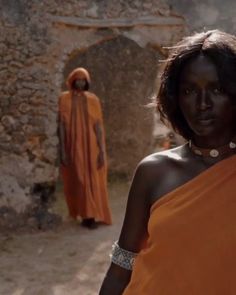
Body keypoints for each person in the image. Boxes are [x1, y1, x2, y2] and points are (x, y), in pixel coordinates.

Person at [99, 29, 236, 294]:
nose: (202, 103)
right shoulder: (154, 171)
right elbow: (121, 267)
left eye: (217, 89)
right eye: (189, 90)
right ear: (175, 97)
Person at [59, 67, 112, 229]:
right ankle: (85, 215)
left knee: (94, 180)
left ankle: (91, 216)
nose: (81, 83)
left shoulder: (93, 100)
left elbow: (98, 127)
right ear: (72, 81)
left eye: (84, 80)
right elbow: (61, 126)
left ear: (87, 82)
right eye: (78, 80)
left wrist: (102, 151)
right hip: (74, 146)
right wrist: (62, 149)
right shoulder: (64, 99)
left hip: (92, 146)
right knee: (80, 180)